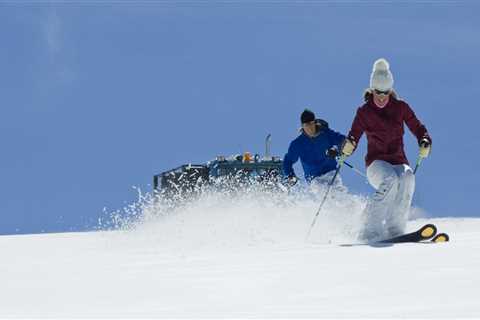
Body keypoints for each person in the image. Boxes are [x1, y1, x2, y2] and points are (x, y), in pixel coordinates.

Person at [341, 58, 432, 242]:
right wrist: (348, 146)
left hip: (398, 161)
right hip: (376, 163)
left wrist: (424, 139)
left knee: (407, 177)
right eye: (377, 92)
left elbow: (418, 127)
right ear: (371, 90)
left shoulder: (400, 108)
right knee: (390, 179)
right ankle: (369, 227)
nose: (381, 97)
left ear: (390, 91)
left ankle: (395, 228)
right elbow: (354, 136)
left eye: (385, 92)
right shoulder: (364, 112)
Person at [283, 109, 346, 186]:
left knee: (337, 193)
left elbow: (344, 141)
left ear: (315, 123)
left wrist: (336, 150)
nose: (310, 128)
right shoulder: (298, 144)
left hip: (331, 173)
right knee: (321, 191)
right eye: (307, 125)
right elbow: (287, 161)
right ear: (302, 126)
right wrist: (290, 175)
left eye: (311, 124)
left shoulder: (326, 133)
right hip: (314, 179)